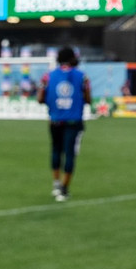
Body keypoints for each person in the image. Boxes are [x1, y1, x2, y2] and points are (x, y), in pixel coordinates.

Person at [38, 47, 90, 202]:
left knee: (55, 151)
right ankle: (64, 188)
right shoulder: (82, 77)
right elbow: (88, 99)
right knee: (70, 153)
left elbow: (40, 98)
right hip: (73, 121)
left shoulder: (48, 76)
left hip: (55, 120)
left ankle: (56, 184)